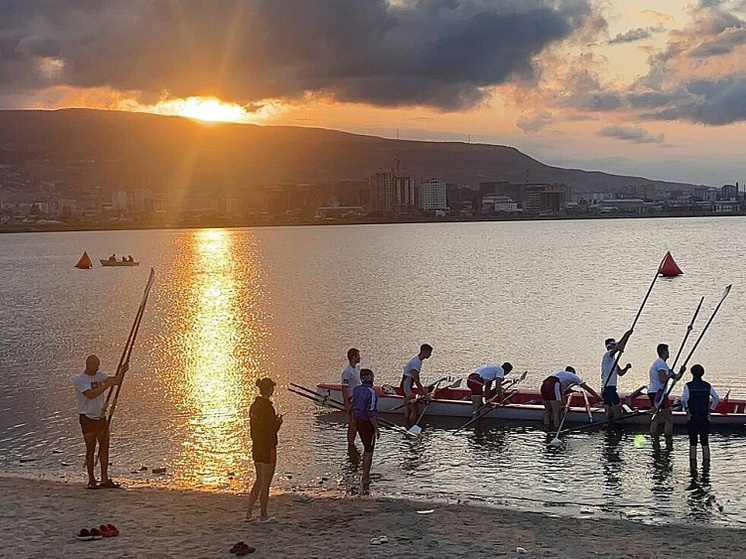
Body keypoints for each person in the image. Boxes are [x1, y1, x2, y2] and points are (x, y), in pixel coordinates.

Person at [73, 354, 125, 489]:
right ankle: (91, 479)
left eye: (98, 365)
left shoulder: (100, 375)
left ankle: (104, 479)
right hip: (87, 418)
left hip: (101, 417)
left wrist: (122, 371)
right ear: (88, 365)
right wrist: (107, 385)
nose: (97, 368)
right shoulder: (79, 379)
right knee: (90, 449)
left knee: (104, 448)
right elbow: (90, 394)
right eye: (94, 366)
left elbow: (114, 381)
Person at [245, 377, 282, 523]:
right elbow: (271, 430)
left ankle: (249, 513)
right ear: (269, 390)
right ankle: (263, 514)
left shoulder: (254, 406)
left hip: (257, 446)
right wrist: (278, 423)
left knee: (259, 480)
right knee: (266, 482)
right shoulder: (268, 408)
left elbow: (256, 428)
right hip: (268, 447)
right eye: (272, 387)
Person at [681, 364, 720, 468]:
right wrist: (710, 410)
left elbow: (683, 399)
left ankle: (693, 466)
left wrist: (687, 410)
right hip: (704, 416)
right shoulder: (707, 385)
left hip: (693, 416)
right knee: (705, 442)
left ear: (692, 373)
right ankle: (706, 466)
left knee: (693, 442)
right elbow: (716, 398)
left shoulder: (688, 386)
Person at [352, 368, 379, 494]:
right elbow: (371, 412)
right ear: (369, 378)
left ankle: (364, 474)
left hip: (358, 421)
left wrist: (353, 422)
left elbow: (353, 406)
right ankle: (365, 478)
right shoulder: (371, 392)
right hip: (367, 423)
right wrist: (376, 428)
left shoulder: (356, 390)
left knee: (364, 448)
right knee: (369, 451)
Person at [649, 343, 680, 439]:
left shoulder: (664, 364)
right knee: (669, 418)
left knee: (657, 417)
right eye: (667, 351)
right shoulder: (660, 363)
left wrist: (681, 371)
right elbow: (663, 379)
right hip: (658, 393)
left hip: (657, 392)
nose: (668, 353)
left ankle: (654, 437)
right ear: (664, 352)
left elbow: (676, 377)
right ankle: (668, 438)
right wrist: (670, 375)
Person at [600, 329, 633, 421]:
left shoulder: (613, 361)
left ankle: (608, 426)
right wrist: (626, 335)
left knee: (609, 410)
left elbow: (620, 373)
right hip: (608, 388)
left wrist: (627, 367)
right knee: (617, 410)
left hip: (609, 388)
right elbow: (619, 347)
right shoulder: (607, 355)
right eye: (613, 345)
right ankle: (618, 428)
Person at [401, 344, 432, 427]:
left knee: (409, 407)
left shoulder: (418, 360)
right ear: (425, 352)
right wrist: (426, 395)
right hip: (406, 385)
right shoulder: (415, 362)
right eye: (430, 352)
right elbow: (417, 381)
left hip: (408, 384)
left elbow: (416, 381)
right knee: (414, 409)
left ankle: (406, 424)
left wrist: (422, 391)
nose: (430, 355)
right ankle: (411, 426)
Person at [341, 348, 361, 451]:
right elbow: (344, 388)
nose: (360, 357)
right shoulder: (347, 372)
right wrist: (346, 404)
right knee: (352, 423)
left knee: (356, 423)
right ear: (353, 357)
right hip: (351, 399)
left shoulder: (357, 368)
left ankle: (353, 444)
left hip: (358, 398)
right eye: (358, 355)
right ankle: (350, 444)